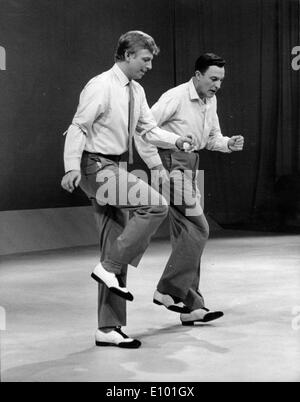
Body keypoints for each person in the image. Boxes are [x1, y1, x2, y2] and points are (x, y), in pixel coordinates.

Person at [61, 31, 194, 349]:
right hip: (94, 166)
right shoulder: (101, 86)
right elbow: (79, 126)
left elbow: (147, 129)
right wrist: (70, 167)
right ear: (127, 55)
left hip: (112, 166)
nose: (149, 65)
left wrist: (175, 141)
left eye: (151, 60)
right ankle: (106, 268)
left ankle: (108, 328)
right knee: (155, 205)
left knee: (116, 245)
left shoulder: (137, 90)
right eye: (145, 59)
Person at [135, 53, 244, 326]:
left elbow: (211, 138)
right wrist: (156, 166)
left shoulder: (211, 100)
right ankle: (166, 290)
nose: (217, 85)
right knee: (199, 229)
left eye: (220, 80)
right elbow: (142, 130)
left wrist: (227, 143)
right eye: (213, 78)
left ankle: (192, 307)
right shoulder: (175, 97)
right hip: (172, 165)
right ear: (197, 75)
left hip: (191, 165)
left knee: (188, 235)